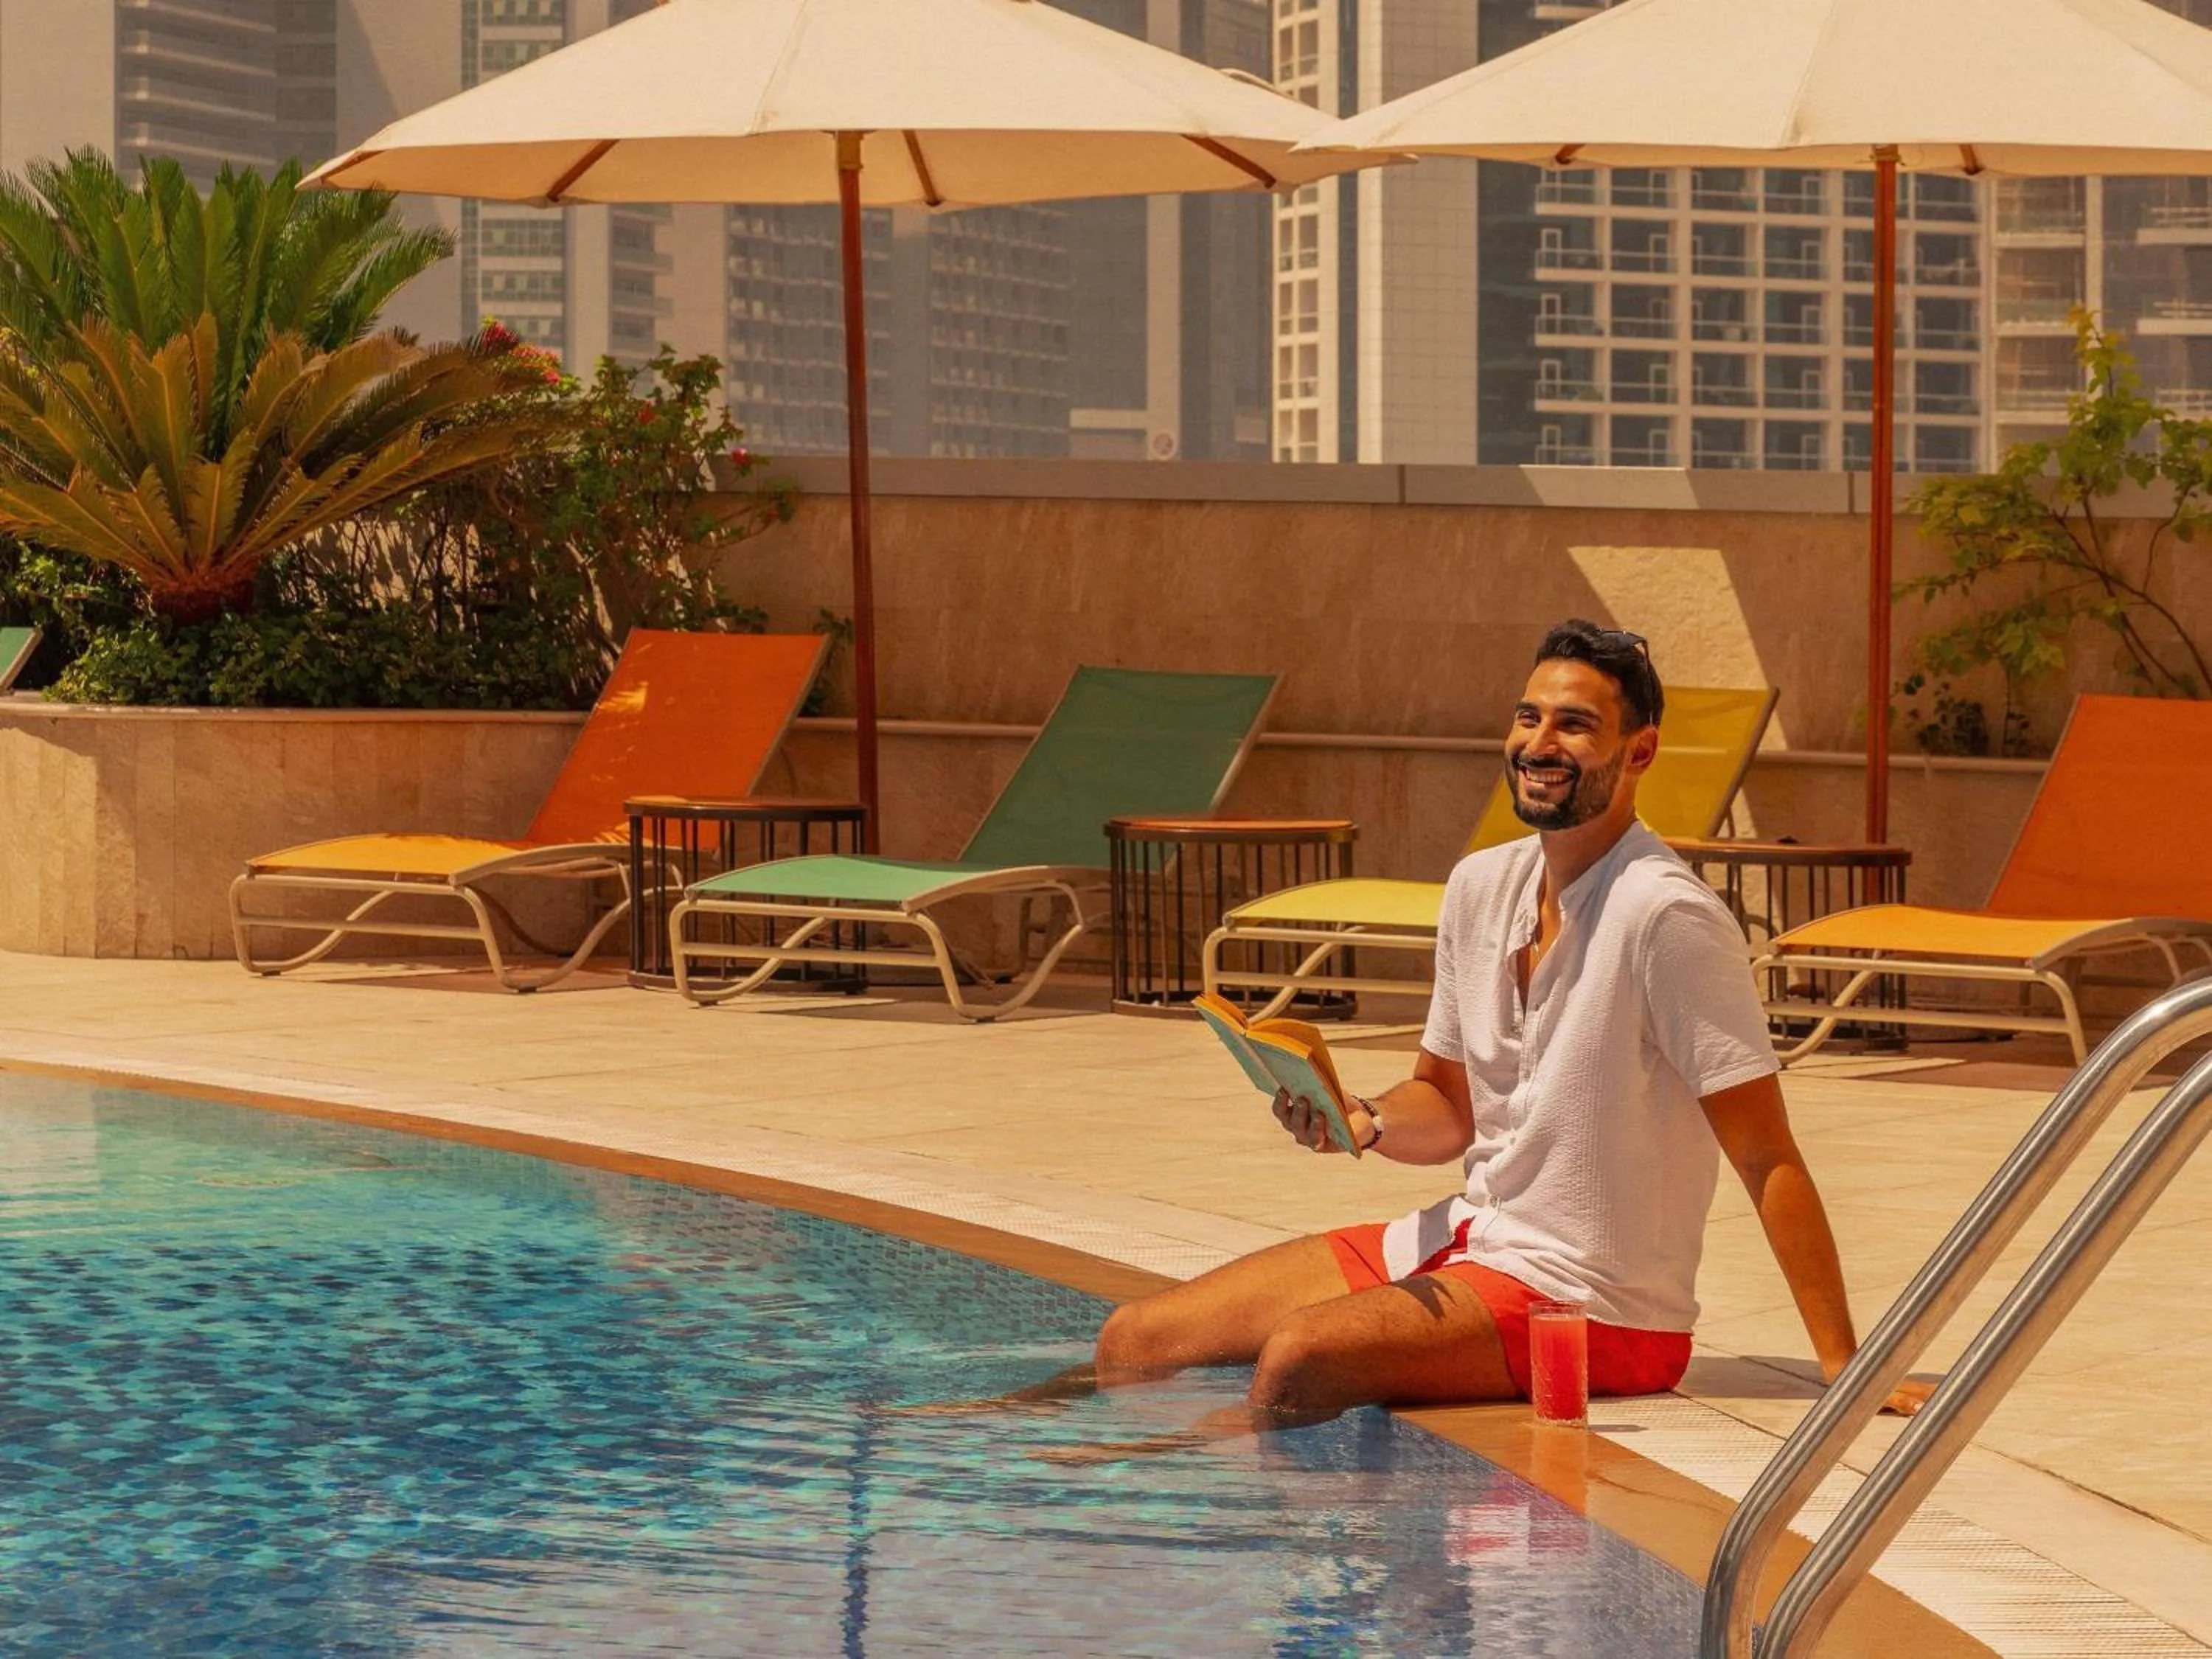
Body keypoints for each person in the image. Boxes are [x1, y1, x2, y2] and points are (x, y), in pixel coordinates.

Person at [964, 620, 1929, 1452]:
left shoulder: (1665, 917)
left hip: (1597, 1301)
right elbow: (1451, 1105)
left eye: (1575, 725)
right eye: (1529, 717)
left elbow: (1767, 1153)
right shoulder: (1482, 888)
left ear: (1638, 754)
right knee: (1137, 1339)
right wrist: (1365, 1118)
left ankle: (1130, 1483)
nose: (1540, 742)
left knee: (1301, 1357)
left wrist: (1847, 1362)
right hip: (1467, 1238)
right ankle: (1010, 1450)